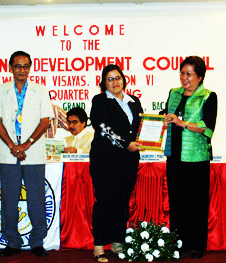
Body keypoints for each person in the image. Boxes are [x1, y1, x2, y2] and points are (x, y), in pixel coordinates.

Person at [0, 51, 54, 257]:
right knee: (9, 199)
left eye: (26, 66)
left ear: (30, 68)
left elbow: (45, 120)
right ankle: (13, 242)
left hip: (33, 153)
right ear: (10, 67)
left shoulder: (41, 90)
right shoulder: (1, 90)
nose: (22, 70)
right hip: (8, 154)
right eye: (18, 66)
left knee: (36, 199)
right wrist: (12, 146)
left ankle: (37, 242)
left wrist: (26, 144)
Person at [163, 56, 217, 259]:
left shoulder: (209, 96)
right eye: (182, 73)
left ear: (200, 76)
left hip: (197, 158)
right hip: (174, 156)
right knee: (177, 201)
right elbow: (167, 116)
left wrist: (181, 123)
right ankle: (178, 243)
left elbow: (208, 128)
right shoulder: (173, 93)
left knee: (196, 202)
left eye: (189, 74)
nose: (184, 78)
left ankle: (196, 245)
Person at [89, 64, 144, 262]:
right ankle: (99, 246)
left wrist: (149, 135)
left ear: (124, 79)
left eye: (118, 78)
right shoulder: (100, 100)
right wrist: (125, 144)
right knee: (105, 201)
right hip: (105, 161)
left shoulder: (133, 101)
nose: (115, 82)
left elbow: (141, 126)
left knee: (122, 201)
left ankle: (118, 241)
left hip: (128, 161)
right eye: (110, 79)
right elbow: (102, 128)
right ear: (103, 83)